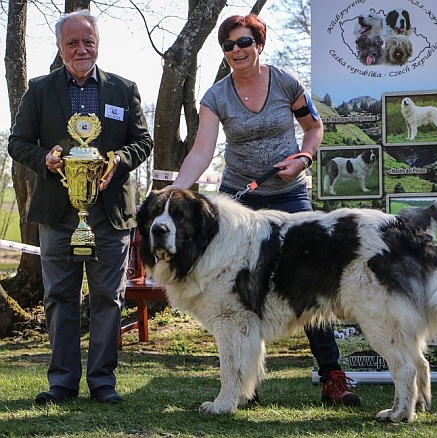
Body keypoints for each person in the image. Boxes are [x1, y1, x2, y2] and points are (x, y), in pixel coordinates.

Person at [169, 14, 360, 407]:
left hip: (290, 195)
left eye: (243, 42)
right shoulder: (215, 96)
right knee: (234, 299)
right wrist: (178, 188)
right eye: (228, 46)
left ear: (259, 43)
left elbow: (314, 127)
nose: (236, 51)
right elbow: (203, 151)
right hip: (240, 200)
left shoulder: (286, 82)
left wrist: (304, 158)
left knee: (310, 285)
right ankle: (243, 387)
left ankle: (333, 377)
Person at [8, 9, 153, 405]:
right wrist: (45, 159)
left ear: (98, 43)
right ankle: (62, 382)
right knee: (59, 298)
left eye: (87, 41)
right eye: (72, 42)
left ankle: (103, 381)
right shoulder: (38, 90)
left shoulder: (124, 89)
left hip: (109, 213)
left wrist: (119, 158)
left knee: (109, 297)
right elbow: (16, 142)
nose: (81, 48)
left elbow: (143, 141)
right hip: (58, 211)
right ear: (59, 46)